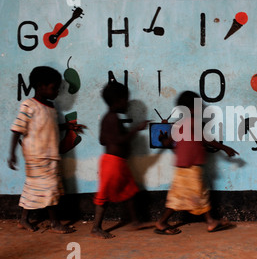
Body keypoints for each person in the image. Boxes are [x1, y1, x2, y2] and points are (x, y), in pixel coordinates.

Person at [8, 66, 85, 233]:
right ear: (41, 86)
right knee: (50, 189)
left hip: (50, 156)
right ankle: (55, 223)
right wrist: (12, 153)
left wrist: (67, 126)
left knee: (33, 188)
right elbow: (17, 129)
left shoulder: (50, 108)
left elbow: (49, 126)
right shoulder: (29, 105)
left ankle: (23, 219)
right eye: (54, 88)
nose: (57, 91)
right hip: (37, 157)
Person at [155, 91, 239, 235]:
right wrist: (225, 148)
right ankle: (163, 222)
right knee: (197, 195)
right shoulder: (194, 122)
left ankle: (209, 221)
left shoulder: (177, 124)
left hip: (182, 168)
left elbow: (168, 142)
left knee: (182, 197)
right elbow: (207, 139)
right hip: (192, 167)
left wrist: (163, 139)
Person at [91, 80, 149, 239]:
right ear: (117, 101)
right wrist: (135, 130)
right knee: (103, 196)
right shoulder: (112, 118)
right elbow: (118, 140)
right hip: (112, 163)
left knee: (130, 190)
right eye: (126, 100)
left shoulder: (109, 118)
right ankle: (96, 227)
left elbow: (103, 140)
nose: (127, 104)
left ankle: (135, 221)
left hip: (118, 163)